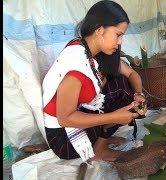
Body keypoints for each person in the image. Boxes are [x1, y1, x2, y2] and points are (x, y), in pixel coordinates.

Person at [42, 0, 147, 162]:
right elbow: (65, 119)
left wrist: (139, 94)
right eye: (118, 35)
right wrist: (114, 117)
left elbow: (132, 73)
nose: (120, 42)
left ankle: (99, 142)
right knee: (119, 90)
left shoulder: (93, 51)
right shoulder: (76, 63)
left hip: (77, 122)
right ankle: (99, 149)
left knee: (123, 84)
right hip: (64, 139)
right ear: (99, 30)